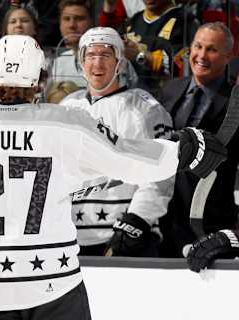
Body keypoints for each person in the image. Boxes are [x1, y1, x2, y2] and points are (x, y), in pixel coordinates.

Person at [0, 34, 226, 319]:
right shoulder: (65, 123)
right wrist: (183, 152)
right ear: (41, 78)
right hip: (53, 284)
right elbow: (128, 159)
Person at [60, 27, 174, 256]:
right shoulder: (66, 108)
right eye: (90, 55)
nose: (97, 63)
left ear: (120, 62)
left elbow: (162, 173)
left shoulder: (145, 108)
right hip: (72, 236)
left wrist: (137, 221)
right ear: (81, 62)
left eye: (105, 55)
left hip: (126, 234)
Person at [157, 22, 239, 257]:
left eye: (212, 49)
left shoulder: (236, 102)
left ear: (228, 56)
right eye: (198, 46)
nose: (201, 55)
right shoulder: (170, 89)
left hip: (210, 226)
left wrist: (233, 234)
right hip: (162, 220)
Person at [124, 0, 198, 95]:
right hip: (132, 95)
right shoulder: (134, 20)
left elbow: (182, 67)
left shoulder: (185, 20)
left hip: (166, 97)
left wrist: (140, 55)